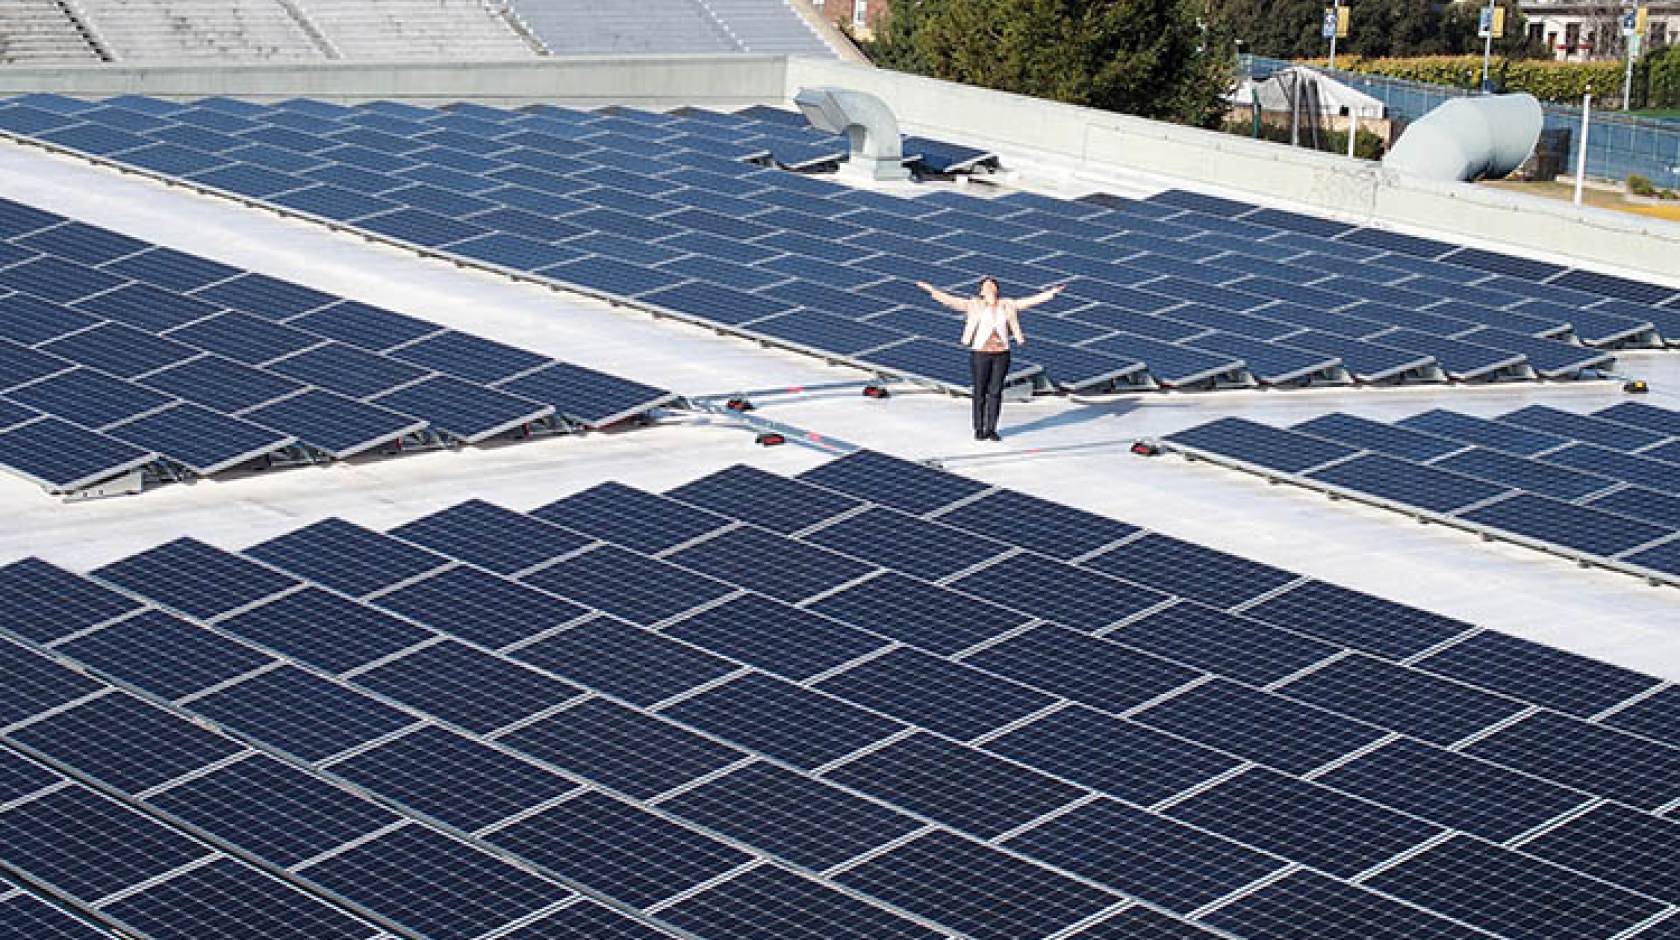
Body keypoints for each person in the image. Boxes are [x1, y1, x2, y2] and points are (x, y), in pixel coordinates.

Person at [915, 277, 1066, 441]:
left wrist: (1051, 293)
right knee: (980, 391)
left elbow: (1029, 302)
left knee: (995, 391)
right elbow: (951, 301)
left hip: (1002, 354)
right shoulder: (974, 305)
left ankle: (991, 429)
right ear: (981, 291)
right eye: (986, 285)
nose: (989, 287)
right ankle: (979, 428)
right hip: (981, 353)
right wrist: (931, 289)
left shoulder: (1007, 304)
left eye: (992, 284)